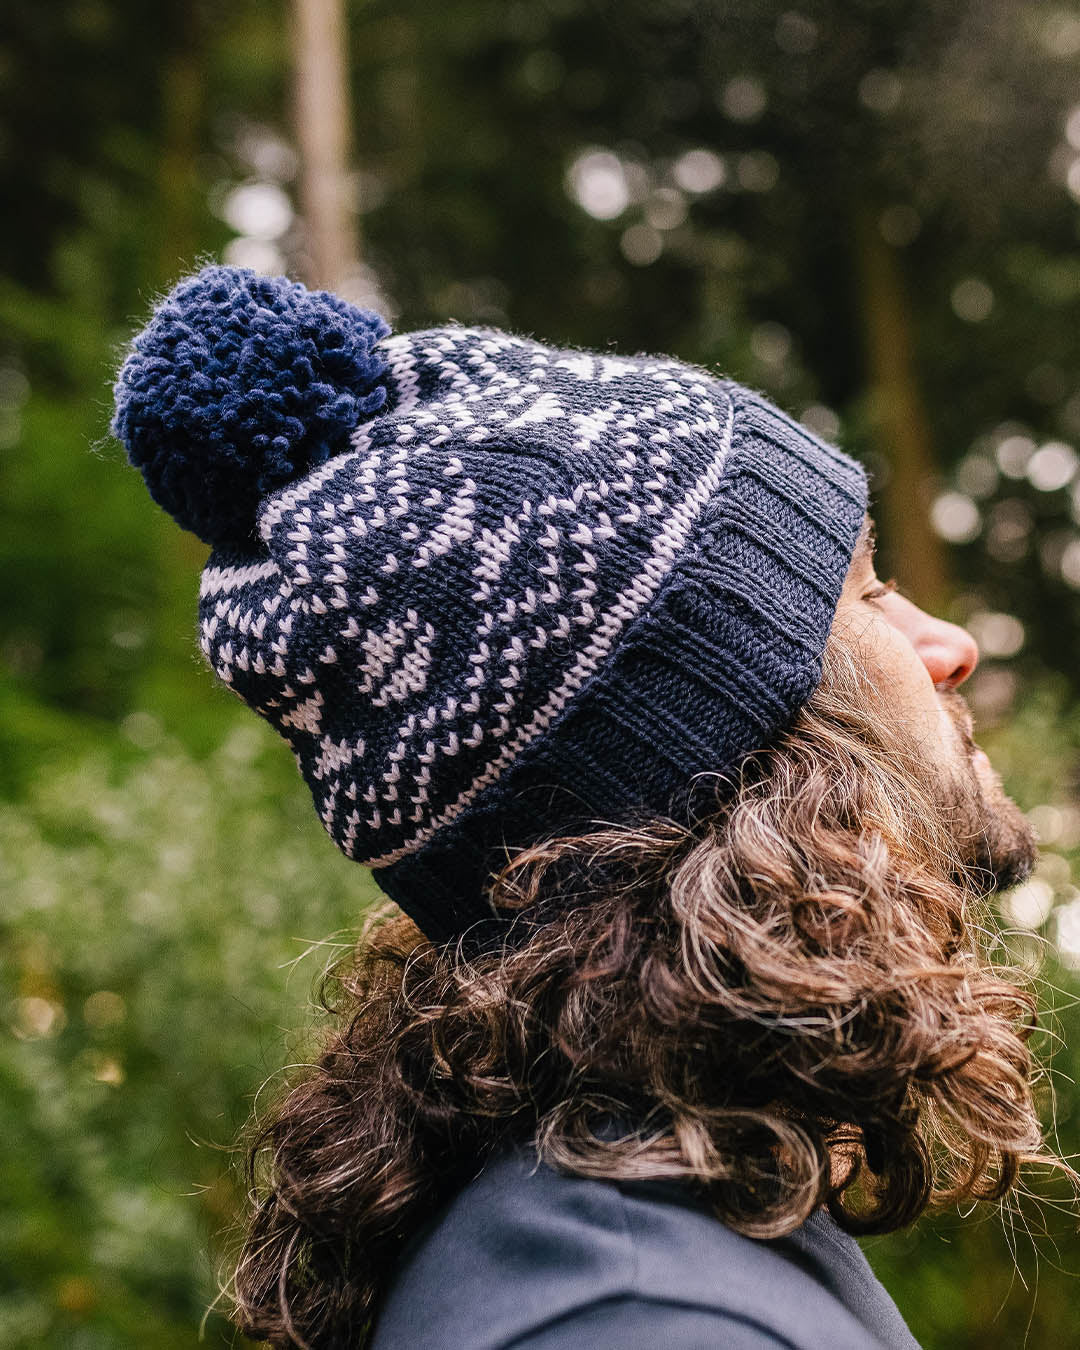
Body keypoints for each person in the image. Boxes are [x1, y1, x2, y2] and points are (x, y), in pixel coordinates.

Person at [113, 265, 1055, 1349]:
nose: (951, 643)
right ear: (730, 748)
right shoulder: (643, 1315)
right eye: (868, 591)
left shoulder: (629, 1234)